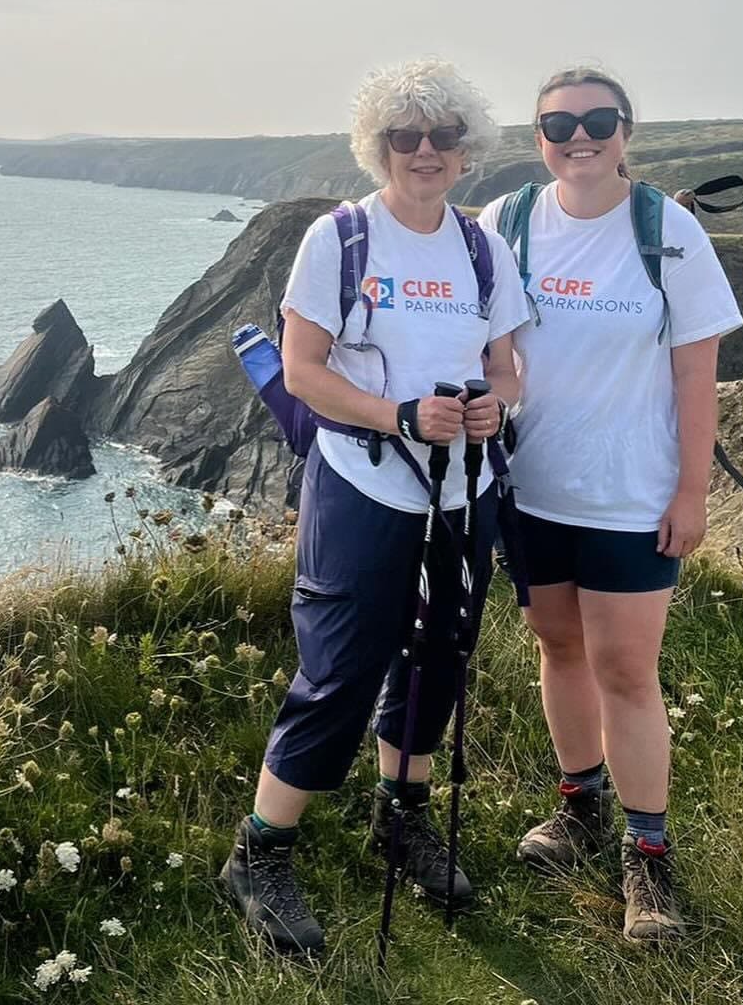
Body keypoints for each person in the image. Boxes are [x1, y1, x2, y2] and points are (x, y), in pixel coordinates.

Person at [219, 59, 530, 956]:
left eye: (442, 136)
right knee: (342, 666)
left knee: (440, 653)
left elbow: (509, 365)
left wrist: (494, 406)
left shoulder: (482, 247)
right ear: (379, 147)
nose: (424, 151)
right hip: (362, 483)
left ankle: (401, 818)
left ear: (466, 151)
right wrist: (399, 414)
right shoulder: (340, 238)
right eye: (405, 136)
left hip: (463, 484)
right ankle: (260, 853)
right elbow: (306, 370)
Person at [477, 67, 743, 945]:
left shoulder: (669, 232)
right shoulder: (507, 223)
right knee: (559, 647)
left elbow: (696, 373)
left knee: (627, 671)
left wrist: (692, 493)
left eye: (597, 119)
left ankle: (648, 857)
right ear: (538, 136)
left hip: (631, 496)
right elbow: (478, 340)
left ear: (627, 129)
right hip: (535, 487)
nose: (577, 136)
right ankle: (579, 804)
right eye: (558, 123)